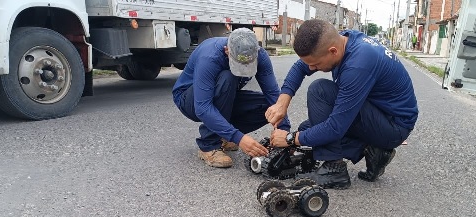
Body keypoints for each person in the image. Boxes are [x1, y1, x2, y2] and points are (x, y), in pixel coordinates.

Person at [265, 19, 419, 189]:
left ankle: (334, 169)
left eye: (315, 64)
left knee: (320, 90)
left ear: (333, 51)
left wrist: (289, 139)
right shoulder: (343, 40)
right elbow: (299, 68)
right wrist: (282, 104)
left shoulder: (358, 65)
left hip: (393, 126)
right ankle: (375, 150)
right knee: (306, 129)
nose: (312, 68)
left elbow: (335, 127)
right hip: (379, 115)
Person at [172, 28, 290, 168]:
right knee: (228, 77)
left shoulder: (261, 56)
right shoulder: (210, 57)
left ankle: (223, 136)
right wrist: (239, 138)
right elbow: (203, 108)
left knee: (270, 108)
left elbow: (274, 96)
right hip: (190, 99)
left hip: (223, 97)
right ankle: (209, 145)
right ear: (227, 50)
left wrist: (285, 134)